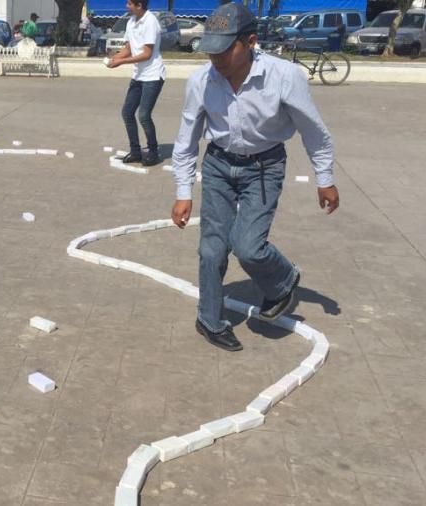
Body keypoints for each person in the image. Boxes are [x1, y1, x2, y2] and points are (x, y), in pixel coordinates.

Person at [169, 3, 340, 352]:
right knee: (212, 248)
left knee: (248, 246)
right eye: (210, 47)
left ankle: (283, 279)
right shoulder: (201, 80)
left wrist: (325, 177)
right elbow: (186, 139)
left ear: (249, 41)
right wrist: (183, 191)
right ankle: (209, 319)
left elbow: (314, 132)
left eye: (223, 47)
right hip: (218, 164)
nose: (214, 56)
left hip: (264, 167)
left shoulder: (284, 76)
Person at [106, 0, 165, 166]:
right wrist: (115, 58)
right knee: (127, 112)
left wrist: (122, 62)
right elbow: (129, 48)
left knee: (144, 116)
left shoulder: (150, 21)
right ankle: (136, 151)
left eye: (130, 3)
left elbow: (147, 54)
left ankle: (153, 152)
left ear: (139, 6)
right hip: (139, 75)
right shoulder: (131, 22)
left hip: (153, 75)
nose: (126, 5)